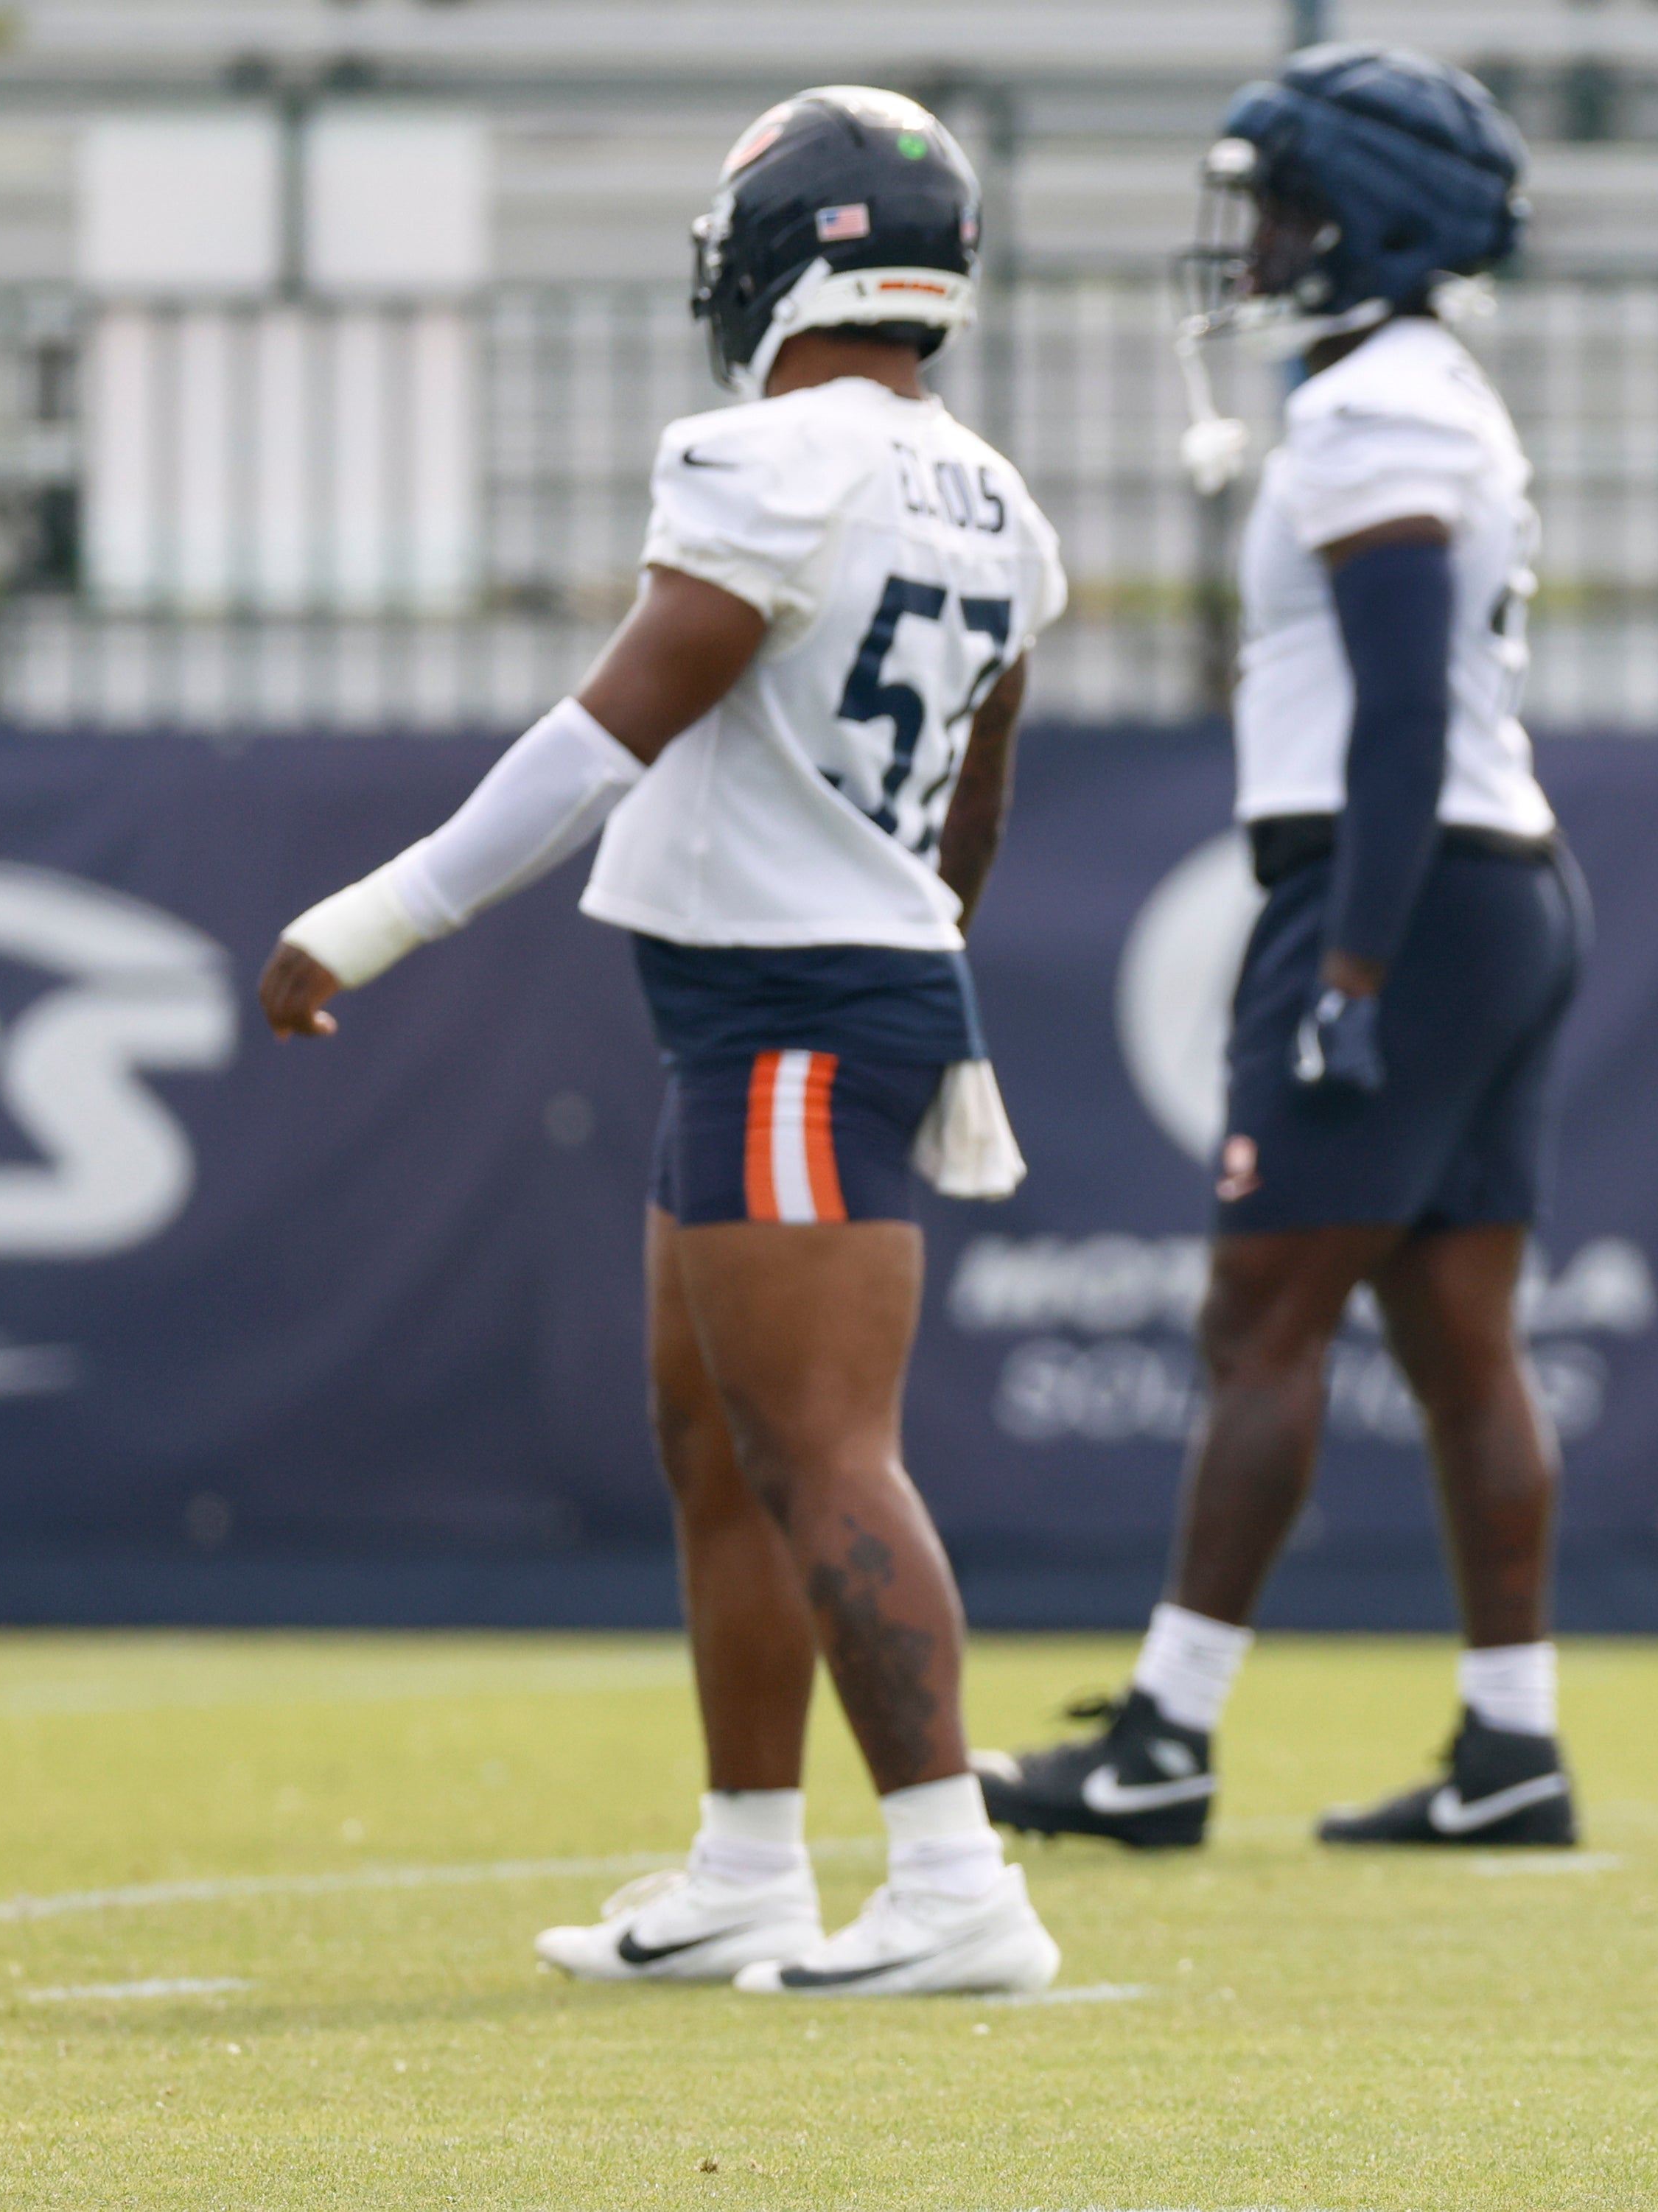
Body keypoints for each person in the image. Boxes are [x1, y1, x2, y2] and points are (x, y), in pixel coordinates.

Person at [259, 87, 1070, 1998]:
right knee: (718, 1443)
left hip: (792, 1006)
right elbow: (979, 799)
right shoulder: (996, 497)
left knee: (819, 1447)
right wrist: (915, 945)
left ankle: (956, 1879)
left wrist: (372, 916)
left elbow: (604, 731)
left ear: (784, 254)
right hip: (792, 993)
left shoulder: (768, 458)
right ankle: (744, 1864)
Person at [974, 46, 1589, 1852]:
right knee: (1459, 1332)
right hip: (1491, 880)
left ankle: (1164, 1736)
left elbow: (1398, 709)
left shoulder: (1375, 410)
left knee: (1262, 1313)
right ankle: (1512, 1745)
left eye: (1283, 206)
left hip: (1395, 883)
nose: (1251, 241)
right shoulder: (1413, 388)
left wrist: (1351, 968)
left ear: (1366, 221)